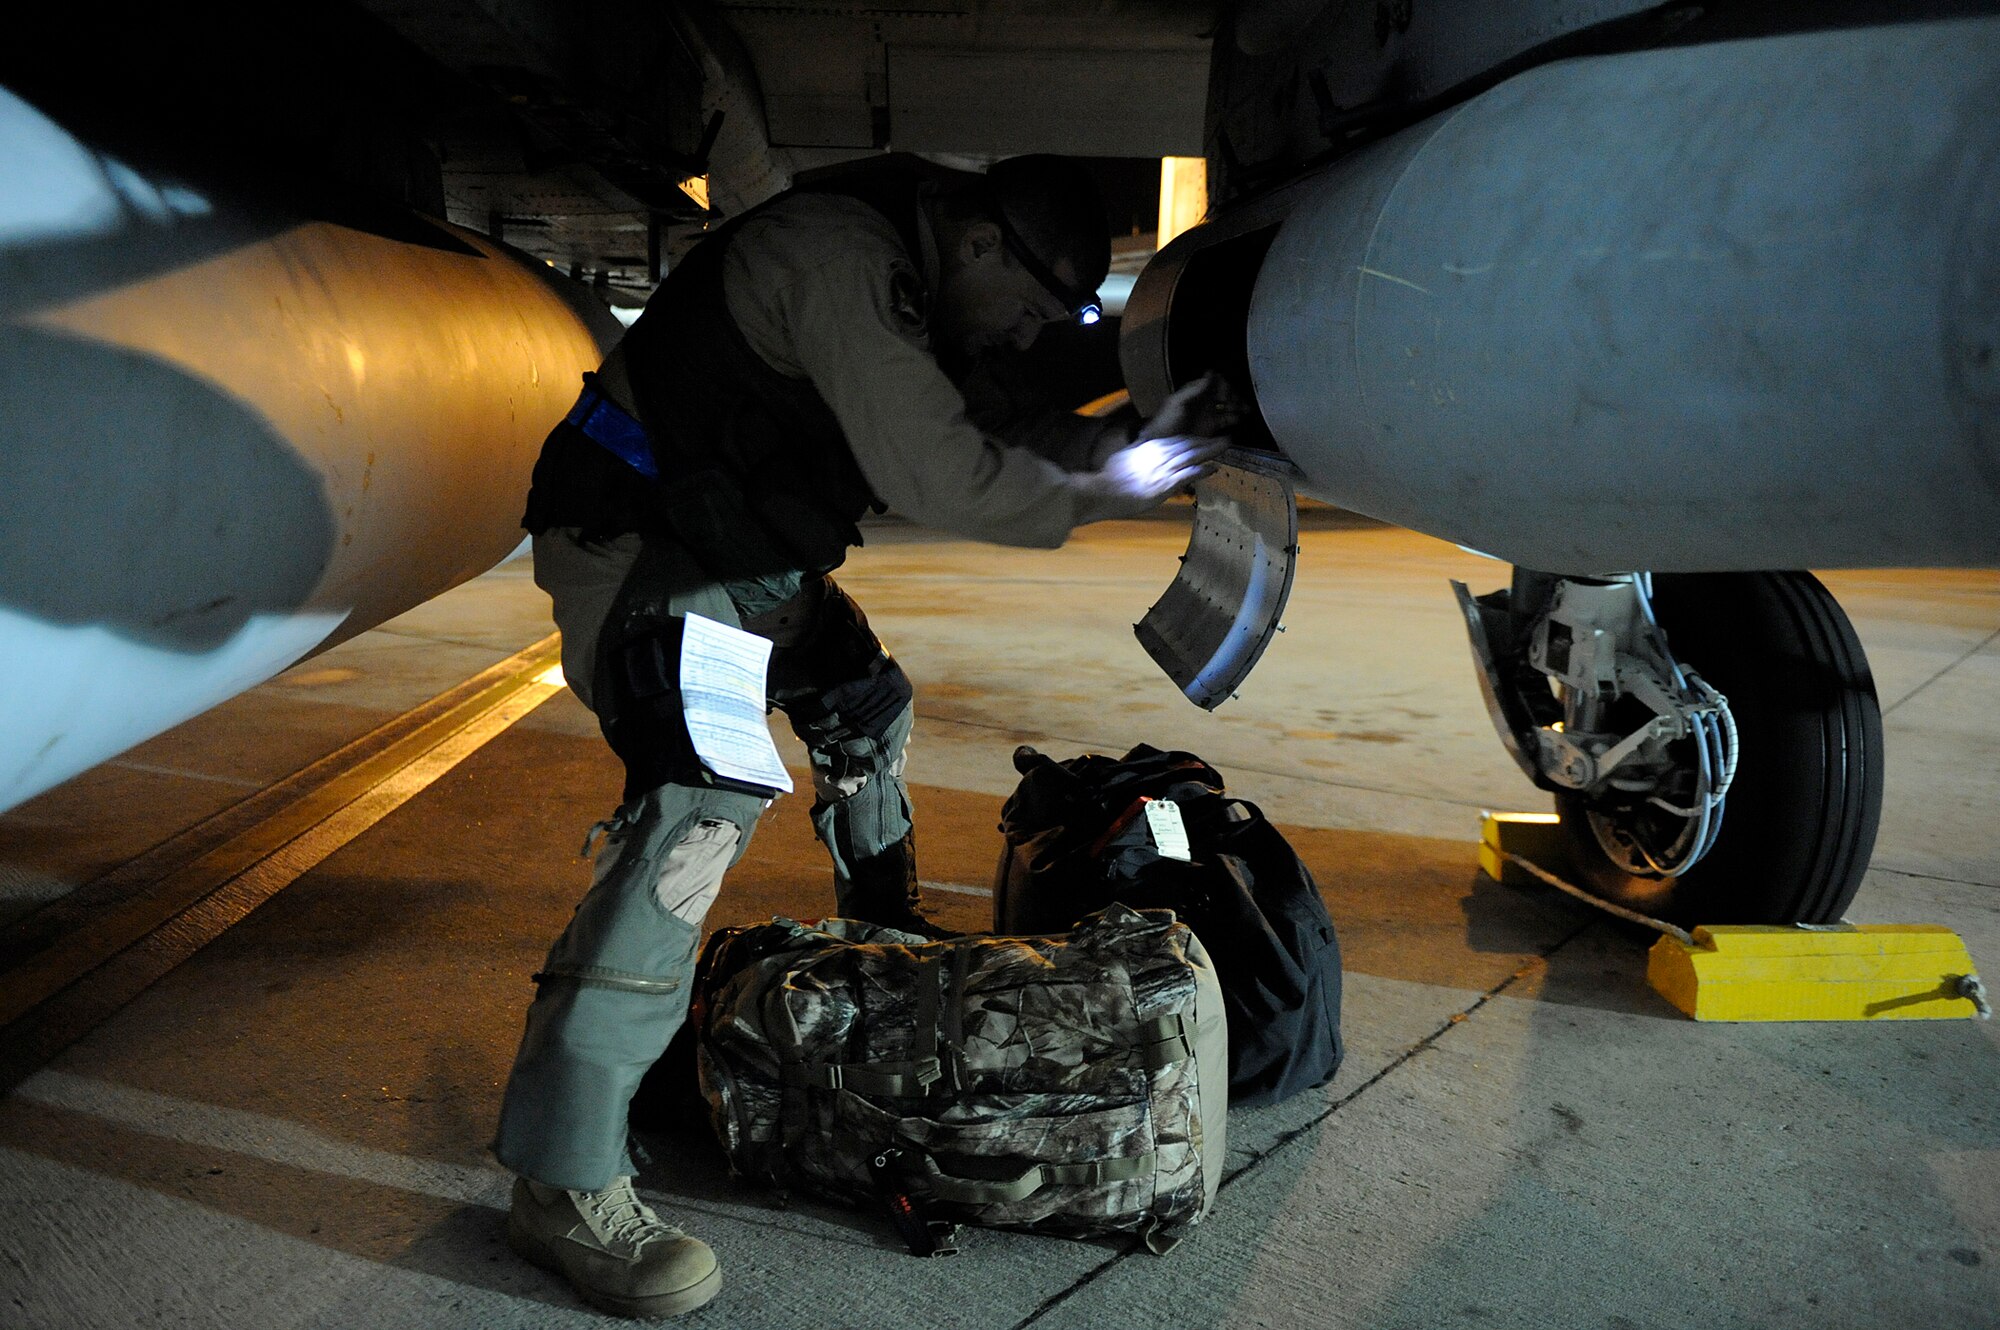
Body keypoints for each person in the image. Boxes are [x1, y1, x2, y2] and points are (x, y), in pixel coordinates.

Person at [493, 153, 1237, 1319]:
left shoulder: (928, 287)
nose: (1025, 333)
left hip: (745, 561)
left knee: (862, 705)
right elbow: (937, 468)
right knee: (701, 808)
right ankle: (563, 1173)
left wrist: (1140, 442)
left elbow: (999, 416)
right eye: (1032, 306)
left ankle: (876, 951)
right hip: (644, 557)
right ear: (981, 243)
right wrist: (1121, 479)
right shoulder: (845, 262)